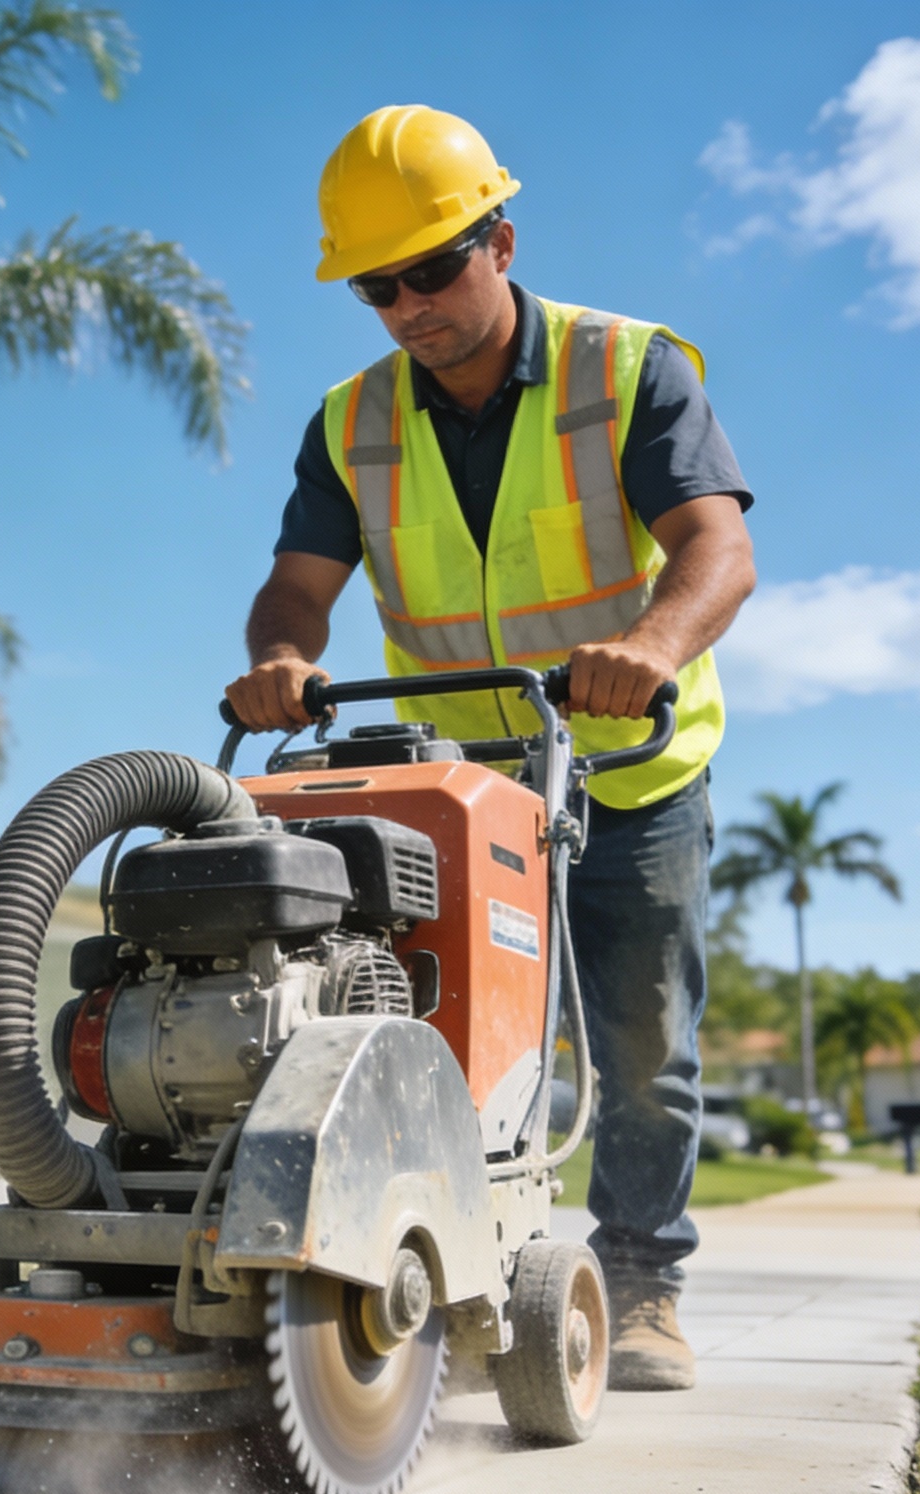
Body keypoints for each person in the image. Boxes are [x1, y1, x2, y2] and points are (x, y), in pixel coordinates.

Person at [224, 105, 756, 1391]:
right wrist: (287, 661)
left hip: (630, 771)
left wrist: (650, 650)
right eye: (376, 283)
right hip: (455, 796)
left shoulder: (625, 369)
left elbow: (716, 551)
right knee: (428, 1033)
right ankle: (440, 1276)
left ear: (500, 241)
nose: (407, 303)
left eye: (431, 267)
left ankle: (641, 1287)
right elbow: (299, 586)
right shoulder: (350, 422)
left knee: (640, 1048)